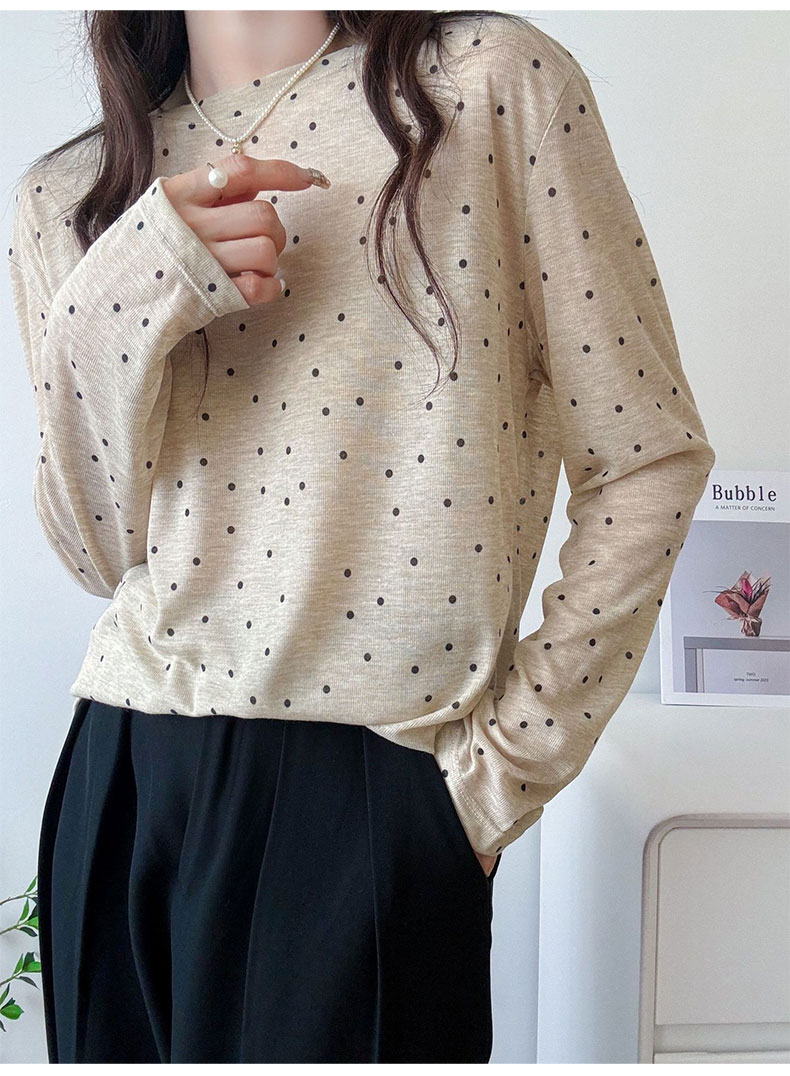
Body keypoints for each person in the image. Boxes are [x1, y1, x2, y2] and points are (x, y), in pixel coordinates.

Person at [7, 8, 715, 1065]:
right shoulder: (70, 193)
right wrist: (119, 297)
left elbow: (647, 453)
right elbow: (99, 554)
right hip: (122, 769)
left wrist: (494, 781)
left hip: (371, 790)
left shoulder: (483, 86)